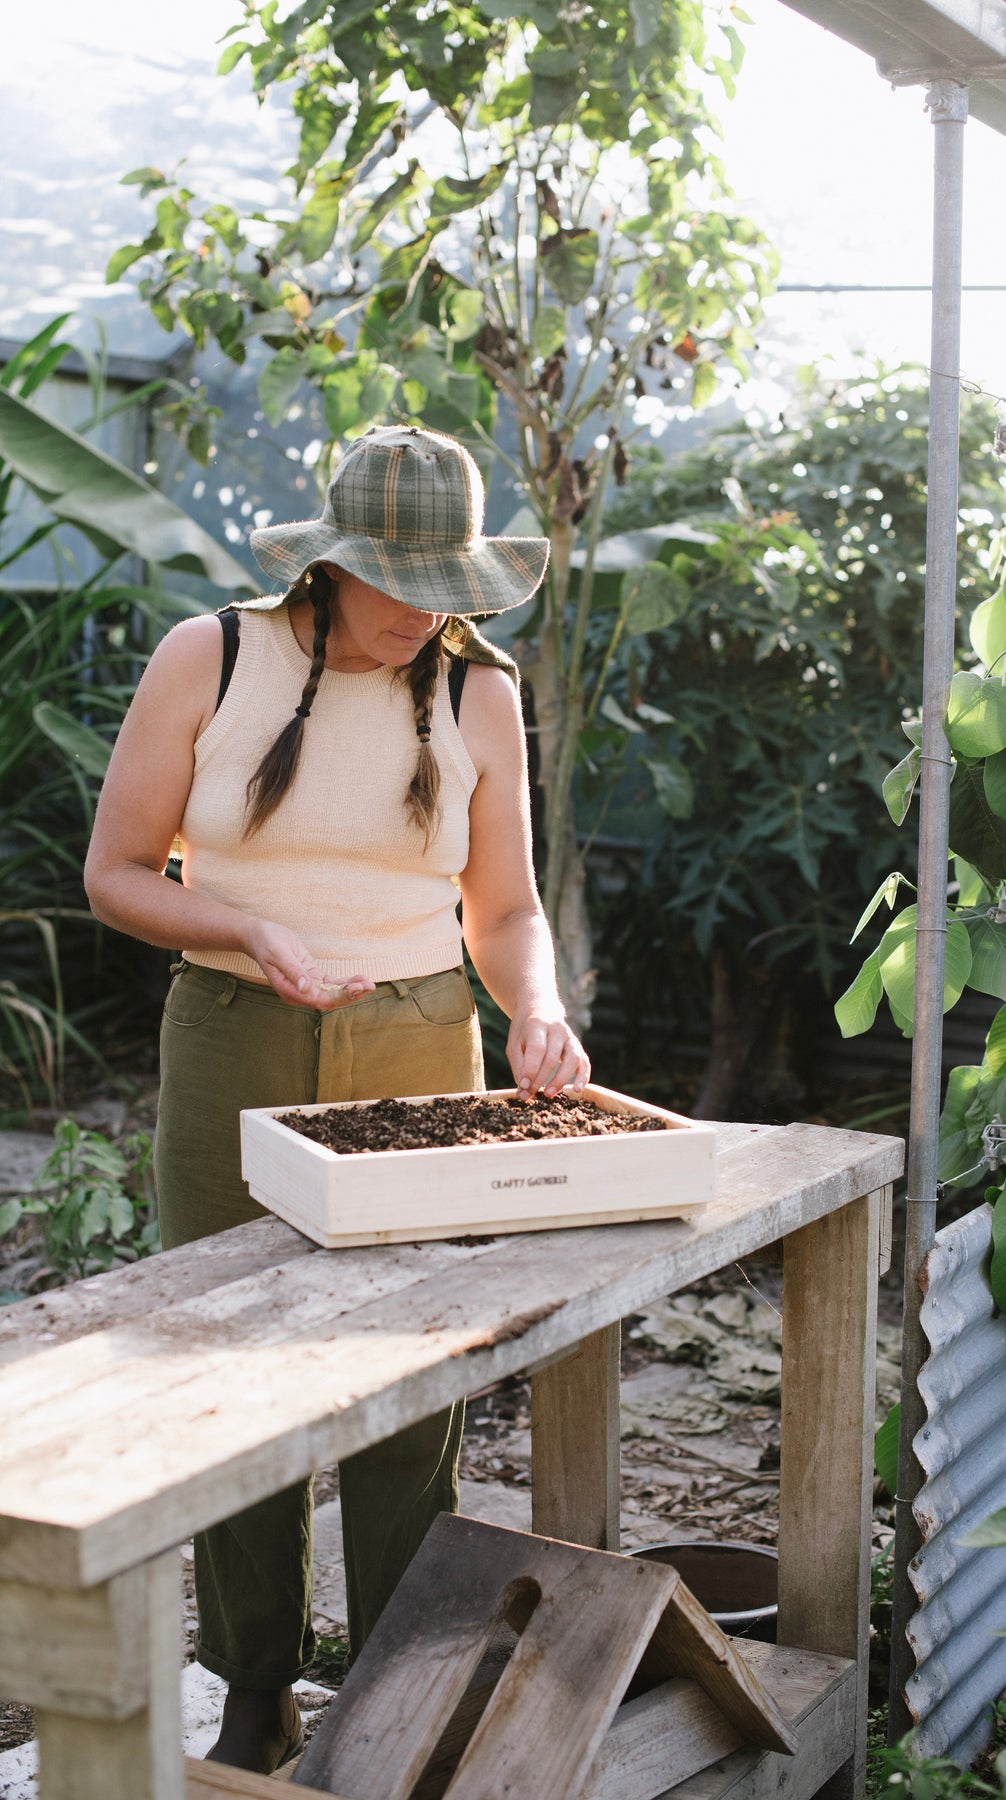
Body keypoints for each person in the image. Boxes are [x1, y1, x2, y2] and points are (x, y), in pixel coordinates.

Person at [83, 423, 590, 1774]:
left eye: (451, 583)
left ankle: (391, 1676)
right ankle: (252, 1679)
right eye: (403, 581)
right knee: (224, 1365)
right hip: (234, 1033)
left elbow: (508, 907)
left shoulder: (478, 691)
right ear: (330, 565)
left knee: (407, 1369)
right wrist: (250, 933)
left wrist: (534, 1004)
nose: (432, 608)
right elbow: (120, 870)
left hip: (422, 1044)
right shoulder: (213, 657)